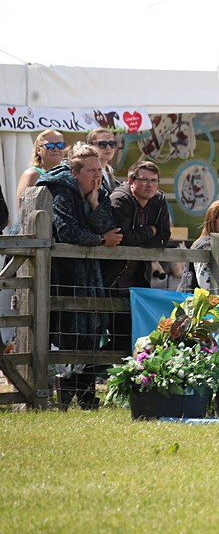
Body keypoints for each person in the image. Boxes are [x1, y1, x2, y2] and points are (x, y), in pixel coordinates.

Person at [37, 144, 123, 408]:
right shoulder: (61, 190)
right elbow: (67, 232)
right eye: (90, 171)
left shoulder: (101, 192)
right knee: (65, 330)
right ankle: (62, 394)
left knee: (92, 328)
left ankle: (85, 396)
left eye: (99, 169)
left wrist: (95, 203)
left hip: (89, 272)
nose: (97, 175)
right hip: (56, 272)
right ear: (75, 173)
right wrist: (99, 239)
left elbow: (111, 228)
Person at [104, 161, 172, 291]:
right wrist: (150, 231)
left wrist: (135, 237)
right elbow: (121, 239)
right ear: (130, 181)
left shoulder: (159, 200)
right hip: (112, 274)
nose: (150, 185)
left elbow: (163, 239)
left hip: (139, 275)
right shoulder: (119, 200)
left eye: (154, 180)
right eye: (144, 180)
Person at [16, 129, 67, 204]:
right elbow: (23, 207)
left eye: (60, 145)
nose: (56, 149)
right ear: (38, 150)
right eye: (50, 146)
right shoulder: (32, 174)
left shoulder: (66, 173)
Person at [86, 127, 122, 192]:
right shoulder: (87, 173)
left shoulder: (110, 173)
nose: (108, 148)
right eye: (102, 144)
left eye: (111, 144)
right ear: (91, 146)